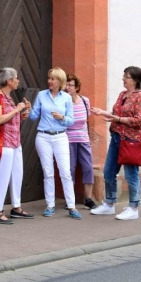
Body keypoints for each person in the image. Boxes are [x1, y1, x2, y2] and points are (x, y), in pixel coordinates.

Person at [90, 66, 141, 220]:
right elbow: (116, 114)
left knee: (131, 175)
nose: (123, 78)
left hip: (130, 140)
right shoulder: (122, 94)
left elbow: (139, 120)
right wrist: (103, 112)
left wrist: (117, 119)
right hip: (117, 138)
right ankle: (109, 204)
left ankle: (133, 208)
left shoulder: (140, 97)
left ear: (135, 80)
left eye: (126, 76)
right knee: (109, 171)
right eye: (124, 76)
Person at [28, 67, 82, 220]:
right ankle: (50, 205)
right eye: (49, 78)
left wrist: (62, 118)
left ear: (60, 81)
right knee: (48, 172)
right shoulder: (41, 95)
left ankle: (71, 206)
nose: (49, 81)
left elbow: (71, 121)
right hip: (43, 137)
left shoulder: (66, 98)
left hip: (60, 137)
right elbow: (33, 117)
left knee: (65, 172)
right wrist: (28, 109)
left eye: (53, 79)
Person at [0, 68, 34, 224]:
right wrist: (17, 109)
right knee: (2, 176)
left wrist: (22, 115)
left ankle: (16, 207)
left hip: (15, 141)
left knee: (17, 175)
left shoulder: (9, 97)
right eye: (16, 78)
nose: (18, 80)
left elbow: (10, 118)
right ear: (8, 81)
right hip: (4, 142)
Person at [65, 73, 97, 210]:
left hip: (83, 139)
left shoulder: (85, 101)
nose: (67, 88)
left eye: (70, 85)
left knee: (88, 167)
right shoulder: (63, 101)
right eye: (66, 85)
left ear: (77, 87)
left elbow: (86, 118)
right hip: (68, 139)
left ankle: (88, 198)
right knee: (69, 169)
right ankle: (69, 200)